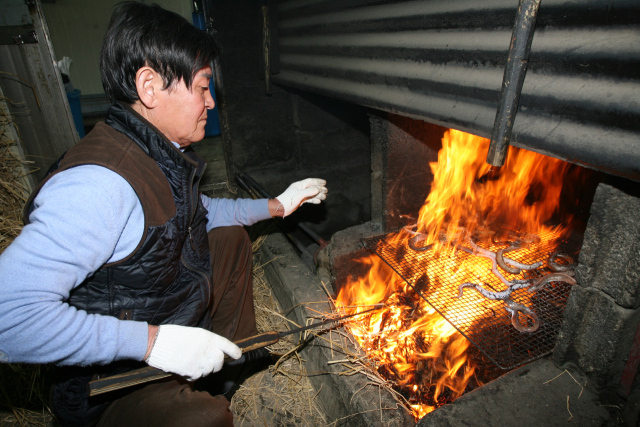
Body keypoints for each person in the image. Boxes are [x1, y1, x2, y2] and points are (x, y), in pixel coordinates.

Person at [0, 2, 327, 426]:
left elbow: (205, 212)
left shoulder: (159, 152)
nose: (212, 101)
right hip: (113, 383)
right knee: (202, 420)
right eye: (203, 87)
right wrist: (154, 343)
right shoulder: (98, 185)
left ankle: (229, 364)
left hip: (167, 317)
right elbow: (9, 316)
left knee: (229, 239)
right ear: (150, 86)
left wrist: (278, 205)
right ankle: (194, 400)